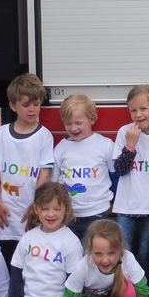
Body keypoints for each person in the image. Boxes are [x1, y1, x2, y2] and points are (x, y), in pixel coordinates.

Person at [0, 73, 54, 267]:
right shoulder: (2, 133)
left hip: (29, 213)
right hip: (4, 214)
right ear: (13, 106)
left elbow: (45, 172)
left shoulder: (44, 136)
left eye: (36, 103)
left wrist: (36, 205)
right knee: (4, 263)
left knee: (28, 263)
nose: (32, 109)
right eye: (26, 105)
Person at [112, 85, 149, 279]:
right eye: (133, 110)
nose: (138, 114)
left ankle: (146, 293)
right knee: (122, 252)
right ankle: (125, 292)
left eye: (143, 108)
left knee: (145, 252)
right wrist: (131, 144)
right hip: (126, 207)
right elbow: (120, 169)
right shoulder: (125, 132)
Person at [53, 94, 116, 243]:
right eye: (68, 124)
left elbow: (115, 176)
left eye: (78, 123)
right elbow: (54, 183)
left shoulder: (105, 145)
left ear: (92, 119)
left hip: (97, 213)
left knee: (94, 253)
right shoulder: (61, 148)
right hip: (69, 215)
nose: (73, 128)